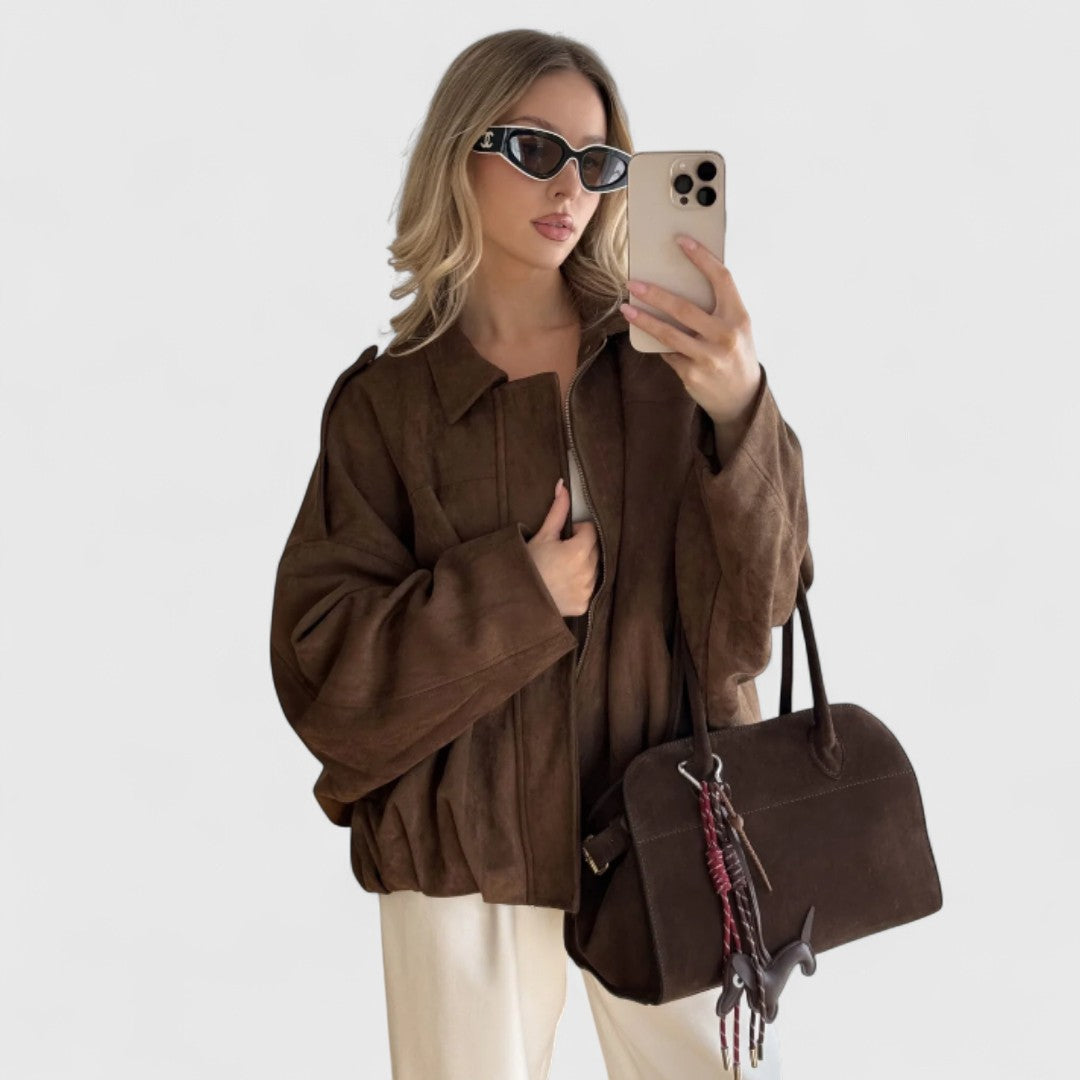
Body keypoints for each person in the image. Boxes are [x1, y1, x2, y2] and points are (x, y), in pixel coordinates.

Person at [269, 27, 813, 1080]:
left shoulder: (673, 367)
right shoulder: (389, 406)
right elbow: (325, 674)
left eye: (597, 163)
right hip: (463, 843)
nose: (570, 188)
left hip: (677, 820)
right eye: (533, 150)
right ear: (456, 155)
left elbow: (755, 615)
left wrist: (740, 407)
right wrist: (518, 594)